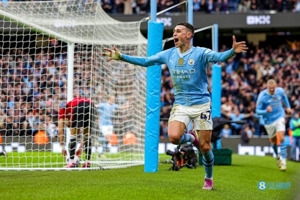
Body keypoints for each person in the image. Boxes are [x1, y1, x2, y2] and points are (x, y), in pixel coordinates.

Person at [102, 22, 248, 190]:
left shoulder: (200, 53)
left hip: (201, 105)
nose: (174, 34)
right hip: (181, 104)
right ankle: (191, 137)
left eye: (178, 31)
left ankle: (208, 177)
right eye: (174, 31)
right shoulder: (169, 54)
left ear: (189, 35)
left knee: (206, 147)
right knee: (174, 137)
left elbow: (219, 57)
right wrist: (122, 57)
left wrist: (232, 52)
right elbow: (146, 61)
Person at [255, 79, 292, 171]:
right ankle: (277, 156)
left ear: (276, 87)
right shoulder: (262, 96)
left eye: (273, 88)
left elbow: (284, 97)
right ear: (267, 87)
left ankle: (284, 162)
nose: (272, 90)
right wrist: (265, 111)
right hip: (269, 121)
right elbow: (257, 111)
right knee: (273, 141)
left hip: (280, 116)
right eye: (270, 88)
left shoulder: (280, 91)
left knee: (282, 137)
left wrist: (288, 107)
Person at [58, 94, 97, 168]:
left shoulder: (62, 110)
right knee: (87, 136)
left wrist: (62, 148)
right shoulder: (71, 105)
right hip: (92, 106)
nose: (68, 126)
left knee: (73, 135)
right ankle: (87, 162)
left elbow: (60, 131)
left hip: (79, 106)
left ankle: (71, 162)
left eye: (67, 125)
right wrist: (81, 147)